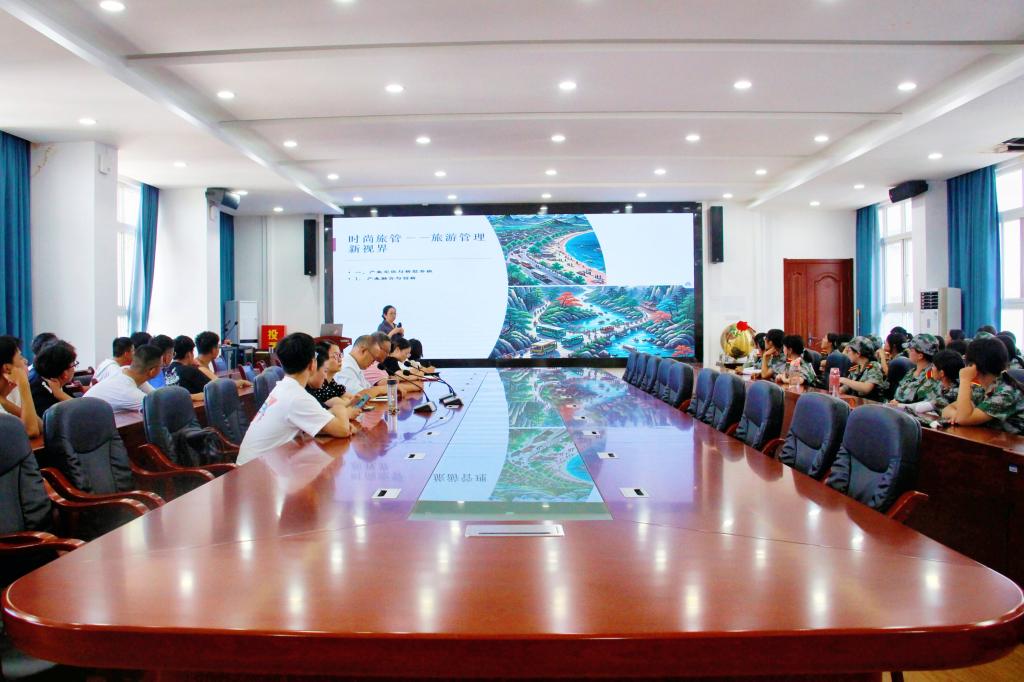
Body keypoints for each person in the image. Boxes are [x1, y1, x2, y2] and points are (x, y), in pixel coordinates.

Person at [237, 333, 362, 465]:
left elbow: (323, 423)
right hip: (255, 472)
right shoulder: (297, 397)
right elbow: (343, 430)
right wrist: (340, 409)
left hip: (255, 466)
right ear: (312, 364)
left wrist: (334, 420)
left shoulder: (285, 387)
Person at [942, 336, 1024, 434]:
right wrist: (957, 415)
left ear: (973, 365)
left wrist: (964, 379)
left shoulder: (1007, 392)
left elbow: (964, 418)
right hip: (987, 438)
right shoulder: (980, 387)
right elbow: (946, 410)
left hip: (1012, 442)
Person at [85, 344, 164, 413]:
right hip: (85, 421)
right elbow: (160, 406)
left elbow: (155, 394)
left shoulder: (126, 370)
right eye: (161, 366)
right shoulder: (128, 392)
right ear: (153, 371)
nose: (162, 368)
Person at [0, 336, 42, 437]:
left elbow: (41, 426)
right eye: (20, 357)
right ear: (7, 368)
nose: (25, 361)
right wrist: (24, 384)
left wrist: (4, 401)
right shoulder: (21, 386)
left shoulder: (10, 391)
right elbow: (31, 431)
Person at [29, 340, 78, 416]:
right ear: (64, 373)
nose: (74, 368)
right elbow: (83, 413)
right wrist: (60, 395)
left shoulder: (53, 381)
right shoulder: (40, 393)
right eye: (74, 364)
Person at [889, 334, 941, 406]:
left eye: (911, 350)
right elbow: (899, 394)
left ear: (920, 356)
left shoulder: (932, 374)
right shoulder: (912, 372)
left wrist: (900, 405)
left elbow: (925, 404)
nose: (908, 352)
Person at [336, 335, 390, 399]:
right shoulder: (345, 367)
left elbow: (369, 389)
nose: (373, 363)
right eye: (373, 359)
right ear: (363, 350)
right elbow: (359, 396)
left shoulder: (356, 366)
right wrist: (382, 389)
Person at [839, 336, 888, 400]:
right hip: (858, 403)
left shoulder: (874, 366)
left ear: (858, 353)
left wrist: (844, 380)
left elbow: (866, 388)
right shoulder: (856, 368)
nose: (847, 354)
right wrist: (840, 390)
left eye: (849, 351)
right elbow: (847, 386)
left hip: (873, 404)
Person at [307, 341, 350, 407]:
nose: (340, 359)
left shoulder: (331, 382)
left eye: (340, 355)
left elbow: (352, 399)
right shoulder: (317, 385)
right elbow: (346, 405)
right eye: (336, 355)